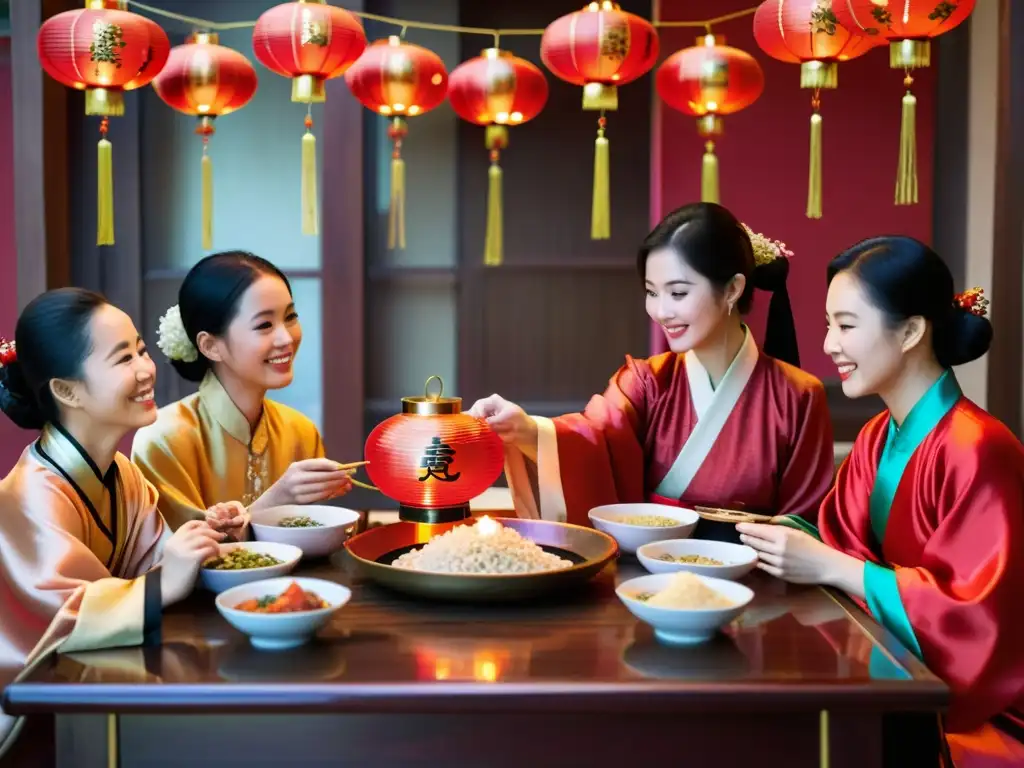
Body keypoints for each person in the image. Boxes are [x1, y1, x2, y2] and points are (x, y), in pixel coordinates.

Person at [737, 236, 1024, 767]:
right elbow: (839, 539)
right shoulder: (876, 435)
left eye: (846, 326)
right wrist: (769, 537)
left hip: (979, 711)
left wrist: (835, 566)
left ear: (912, 330)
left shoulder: (980, 447)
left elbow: (974, 618)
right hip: (900, 675)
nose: (828, 345)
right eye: (828, 325)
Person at [468, 203, 834, 540]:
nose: (660, 311)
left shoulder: (798, 395)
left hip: (754, 586)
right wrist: (528, 430)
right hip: (648, 575)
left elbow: (805, 522)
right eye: (651, 292)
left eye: (677, 293)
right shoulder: (645, 383)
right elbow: (594, 441)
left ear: (733, 289)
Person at [0, 289, 227, 761]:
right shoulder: (27, 496)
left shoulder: (122, 474)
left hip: (91, 688)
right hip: (30, 709)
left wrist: (209, 539)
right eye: (124, 359)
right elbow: (66, 613)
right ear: (67, 390)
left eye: (142, 349)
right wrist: (165, 580)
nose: (147, 370)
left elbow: (159, 565)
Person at [132, 251, 351, 536]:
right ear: (210, 346)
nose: (287, 338)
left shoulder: (301, 432)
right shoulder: (162, 440)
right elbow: (179, 560)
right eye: (264, 325)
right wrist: (279, 499)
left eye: (291, 317)